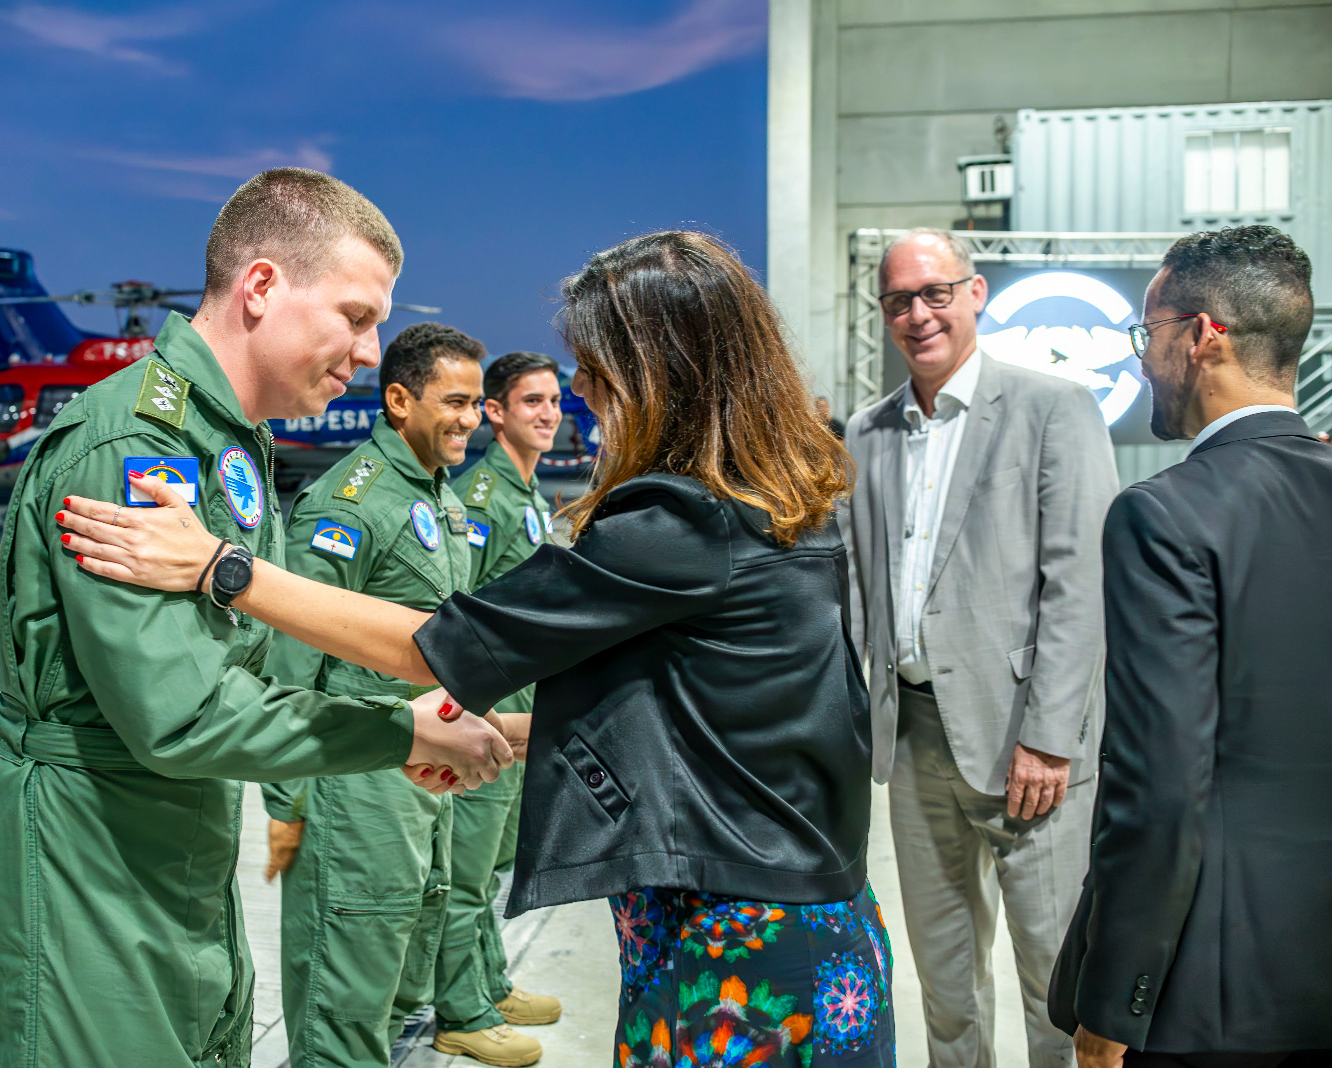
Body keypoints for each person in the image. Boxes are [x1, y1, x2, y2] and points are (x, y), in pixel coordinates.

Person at [58, 230, 894, 1067]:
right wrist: (507, 735)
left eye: (596, 369)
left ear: (660, 371)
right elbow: (705, 712)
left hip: (741, 952)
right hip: (794, 918)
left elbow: (435, 647)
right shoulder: (777, 505)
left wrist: (224, 568)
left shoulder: (684, 524)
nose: (583, 393)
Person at [0, 168, 511, 1068]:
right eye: (356, 317)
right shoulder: (137, 446)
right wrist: (398, 732)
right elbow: (183, 715)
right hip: (87, 866)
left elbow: (258, 661)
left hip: (175, 857)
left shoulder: (227, 442)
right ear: (261, 286)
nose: (372, 354)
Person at [1049, 226, 1332, 1068]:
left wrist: (1113, 1005)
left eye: (1148, 334)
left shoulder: (1163, 517)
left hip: (1211, 994)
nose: (1143, 361)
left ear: (1203, 336)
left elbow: (1161, 788)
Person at [840, 227, 1119, 1068]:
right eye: (898, 301)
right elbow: (854, 586)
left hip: (1026, 743)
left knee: (1054, 985)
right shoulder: (867, 433)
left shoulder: (1052, 408)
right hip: (913, 739)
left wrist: (1050, 738)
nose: (918, 315)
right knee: (946, 983)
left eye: (934, 294)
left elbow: (1081, 585)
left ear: (975, 292)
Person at [257, 322, 542, 1068]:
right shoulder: (351, 504)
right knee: (348, 975)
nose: (470, 419)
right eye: (454, 402)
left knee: (400, 960)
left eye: (476, 403)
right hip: (355, 777)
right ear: (399, 400)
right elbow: (292, 653)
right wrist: (287, 805)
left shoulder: (436, 495)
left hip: (420, 769)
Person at [437, 350, 565, 1048]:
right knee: (466, 872)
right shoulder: (482, 499)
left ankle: (488, 981)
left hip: (523, 711)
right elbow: (460, 612)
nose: (548, 414)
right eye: (531, 402)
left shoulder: (528, 496)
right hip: (488, 712)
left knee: (491, 866)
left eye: (554, 401)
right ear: (496, 412)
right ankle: (463, 1014)